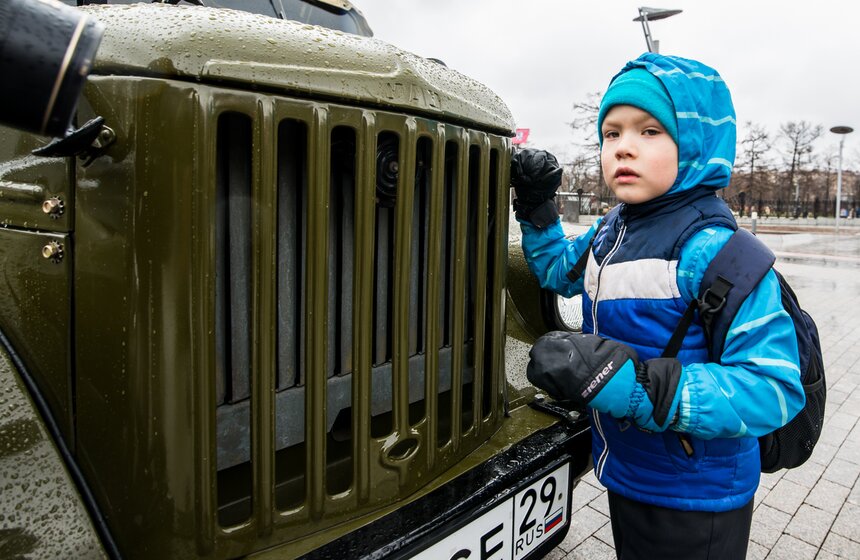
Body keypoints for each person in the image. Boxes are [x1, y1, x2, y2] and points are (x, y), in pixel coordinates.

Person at [511, 53, 805, 559]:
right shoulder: (611, 230)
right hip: (629, 471)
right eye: (611, 133)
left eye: (649, 131)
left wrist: (636, 386)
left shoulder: (715, 252)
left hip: (697, 498)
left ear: (694, 143)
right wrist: (538, 210)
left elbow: (773, 388)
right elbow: (560, 273)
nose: (623, 147)